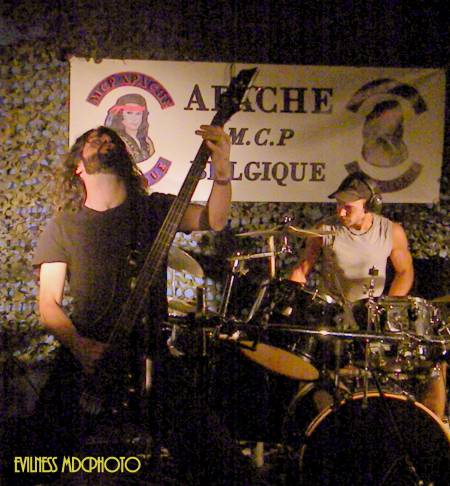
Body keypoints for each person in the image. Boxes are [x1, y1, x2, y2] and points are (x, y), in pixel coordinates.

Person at [3, 125, 263, 485]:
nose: (103, 140)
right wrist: (79, 347)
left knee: (221, 463)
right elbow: (48, 304)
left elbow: (213, 219)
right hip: (86, 353)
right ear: (77, 166)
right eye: (92, 140)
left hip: (149, 352)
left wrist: (221, 168)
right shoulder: (63, 225)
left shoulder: (155, 210)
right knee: (29, 462)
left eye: (109, 138)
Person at [289, 171, 447, 420]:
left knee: (427, 365)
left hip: (372, 315)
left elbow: (405, 271)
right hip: (335, 315)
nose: (341, 212)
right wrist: (290, 298)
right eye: (338, 205)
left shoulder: (391, 231)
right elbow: (302, 269)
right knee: (319, 375)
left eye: (348, 207)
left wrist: (387, 307)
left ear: (369, 205)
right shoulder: (325, 229)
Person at [105, 93, 155, 164]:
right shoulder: (116, 140)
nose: (134, 119)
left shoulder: (146, 141)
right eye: (129, 113)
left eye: (138, 114)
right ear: (120, 115)